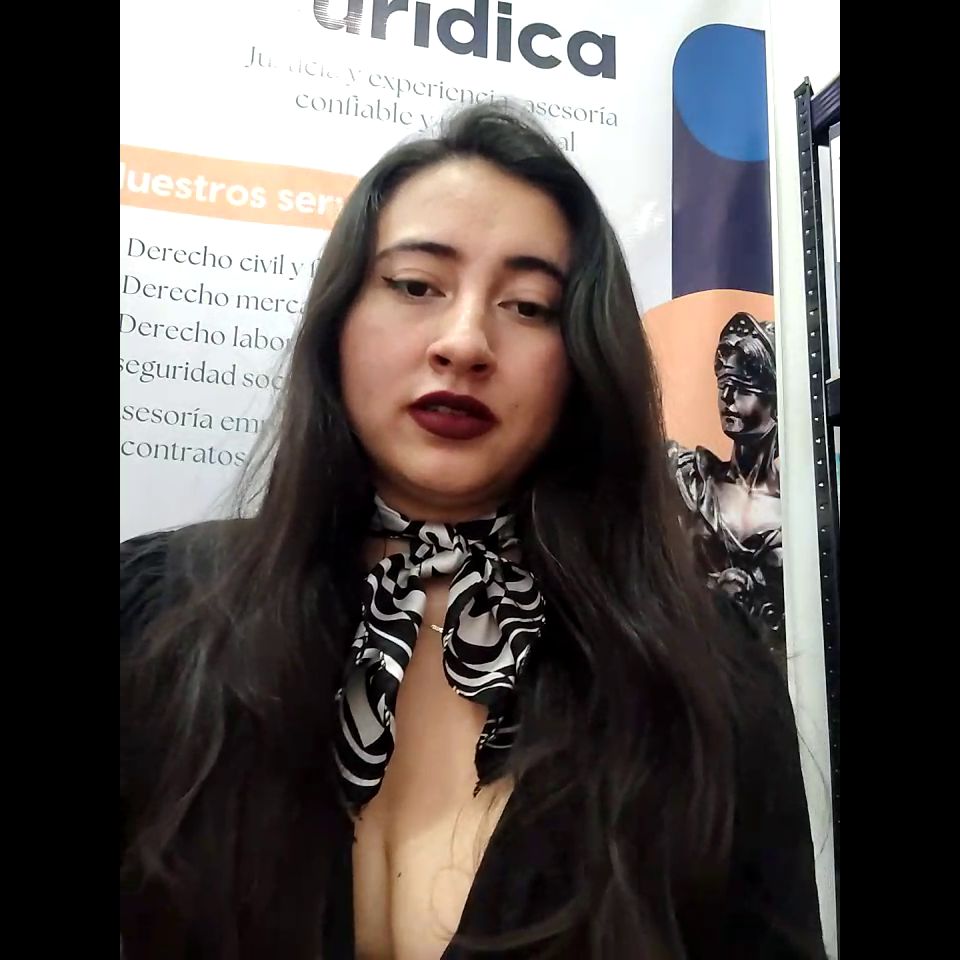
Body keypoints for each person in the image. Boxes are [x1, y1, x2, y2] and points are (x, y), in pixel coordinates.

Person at [120, 104, 825, 959]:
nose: (464, 343)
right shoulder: (152, 611)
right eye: (416, 286)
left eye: (529, 306)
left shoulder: (702, 674)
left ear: (583, 361)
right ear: (338, 322)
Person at [667, 313, 784, 641]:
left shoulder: (803, 501)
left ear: (776, 399)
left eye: (743, 388)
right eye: (723, 384)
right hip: (697, 653)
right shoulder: (690, 478)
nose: (728, 397)